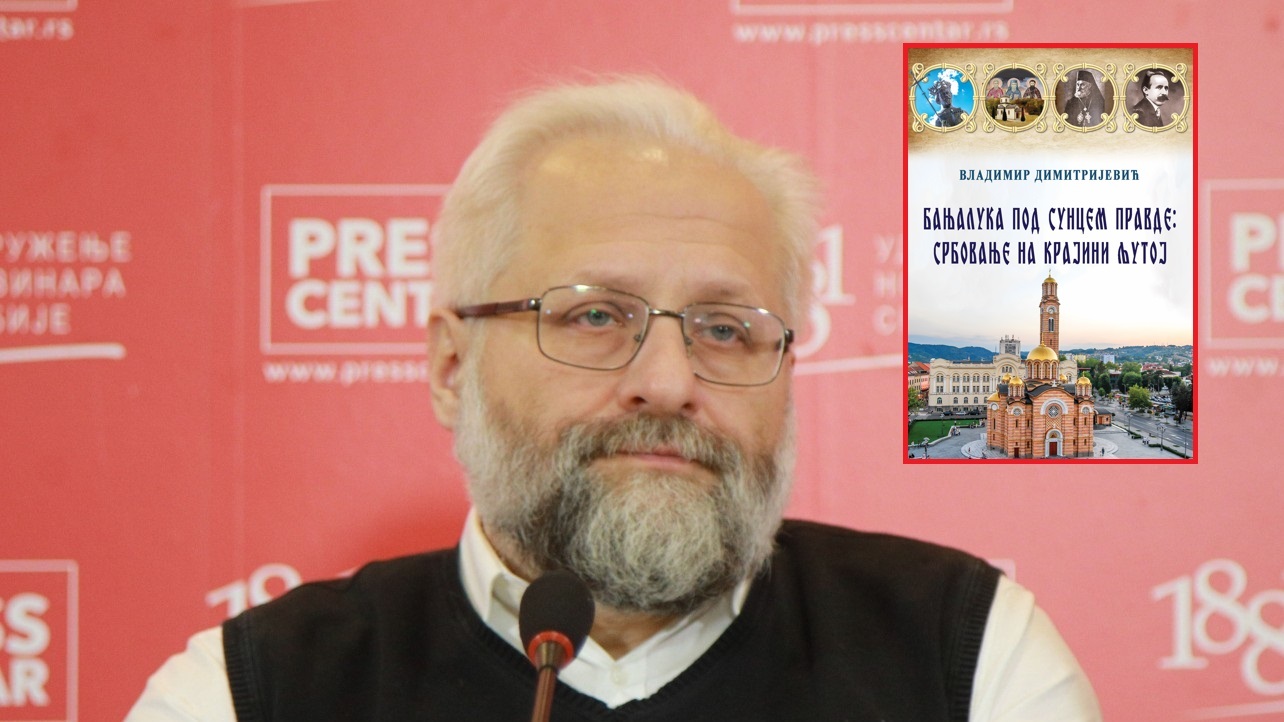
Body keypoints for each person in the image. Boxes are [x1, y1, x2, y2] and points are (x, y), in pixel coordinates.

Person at [126, 76, 1101, 721]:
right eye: (595, 315)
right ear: (451, 366)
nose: (669, 381)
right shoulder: (250, 693)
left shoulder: (967, 657)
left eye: (725, 328)